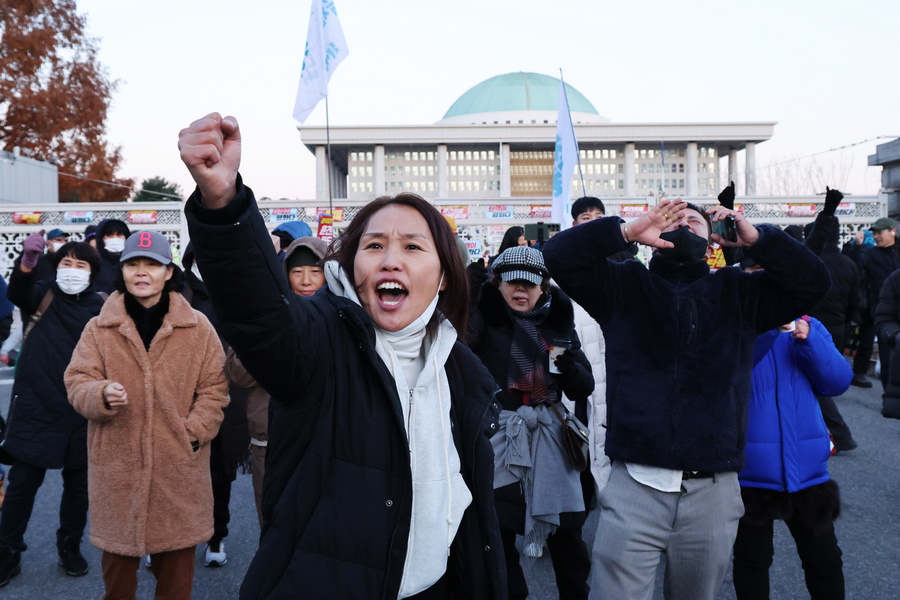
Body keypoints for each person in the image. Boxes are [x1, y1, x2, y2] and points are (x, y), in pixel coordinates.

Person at [179, 112, 506, 599]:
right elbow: (261, 313)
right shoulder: (320, 341)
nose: (391, 258)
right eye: (374, 245)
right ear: (353, 267)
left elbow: (475, 515)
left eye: (413, 247)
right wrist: (224, 204)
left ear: (442, 276)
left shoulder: (461, 371)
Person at [542, 193, 830, 600]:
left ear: (713, 239)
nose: (682, 224)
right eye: (671, 218)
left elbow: (814, 282)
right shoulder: (623, 285)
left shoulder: (740, 292)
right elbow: (558, 256)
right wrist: (624, 231)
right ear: (653, 231)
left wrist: (759, 240)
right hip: (635, 483)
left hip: (713, 488)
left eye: (693, 220)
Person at [65, 231, 229, 599]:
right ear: (122, 270)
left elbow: (215, 389)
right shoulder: (99, 328)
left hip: (178, 474)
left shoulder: (198, 327)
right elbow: (77, 381)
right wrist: (100, 394)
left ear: (168, 272)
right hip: (118, 472)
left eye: (152, 264)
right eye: (133, 264)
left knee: (176, 587)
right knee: (118, 586)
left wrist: (192, 433)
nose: (142, 272)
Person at [468, 245, 593, 600]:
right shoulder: (483, 315)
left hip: (551, 436)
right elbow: (457, 347)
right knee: (499, 534)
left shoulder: (558, 321)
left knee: (568, 534)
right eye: (512, 282)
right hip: (499, 435)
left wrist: (568, 368)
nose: (520, 290)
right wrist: (466, 297)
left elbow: (585, 386)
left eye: (529, 283)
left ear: (544, 286)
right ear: (498, 283)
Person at [0, 240, 105, 588]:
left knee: (78, 490)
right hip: (35, 407)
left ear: (92, 273)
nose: (71, 271)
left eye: (80, 266)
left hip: (81, 410)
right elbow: (18, 289)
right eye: (66, 263)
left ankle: (69, 546)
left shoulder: (100, 307)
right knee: (21, 487)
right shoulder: (42, 294)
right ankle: (7, 551)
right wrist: (28, 260)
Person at [732, 316, 850, 599]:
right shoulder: (736, 319)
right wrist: (769, 329)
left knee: (824, 560)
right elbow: (727, 372)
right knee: (752, 560)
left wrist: (809, 341)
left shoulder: (811, 324)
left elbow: (837, 381)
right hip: (750, 471)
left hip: (808, 470)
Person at [224, 234, 329, 526]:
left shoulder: (342, 315)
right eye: (297, 272)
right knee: (274, 525)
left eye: (315, 271)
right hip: (268, 443)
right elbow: (237, 375)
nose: (306, 280)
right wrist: (267, 334)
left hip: (326, 442)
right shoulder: (264, 312)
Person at [179, 243, 251, 569]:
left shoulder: (233, 292)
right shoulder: (175, 292)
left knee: (220, 474)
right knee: (174, 471)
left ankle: (216, 535)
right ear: (190, 261)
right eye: (199, 258)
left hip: (226, 395)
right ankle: (168, 538)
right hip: (180, 394)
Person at [803, 188, 860, 452]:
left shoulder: (811, 260)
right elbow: (855, 302)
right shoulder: (848, 264)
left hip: (811, 326)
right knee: (825, 379)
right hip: (837, 327)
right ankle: (833, 433)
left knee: (812, 382)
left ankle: (837, 433)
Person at [843, 216, 900, 388]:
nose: (876, 236)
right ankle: (887, 394)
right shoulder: (868, 254)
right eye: (874, 233)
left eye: (879, 232)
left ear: (893, 232)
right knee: (885, 353)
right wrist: (855, 245)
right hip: (879, 310)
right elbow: (851, 267)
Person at [92, 218, 132, 294]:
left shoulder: (132, 263)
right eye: (109, 235)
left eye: (119, 235)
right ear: (100, 239)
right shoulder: (94, 265)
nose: (114, 238)